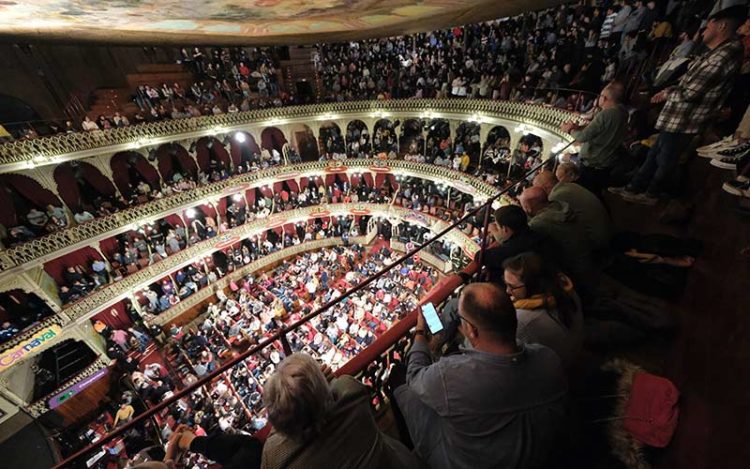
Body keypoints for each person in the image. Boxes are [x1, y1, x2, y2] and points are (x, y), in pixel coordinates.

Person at [393, 283, 568, 469]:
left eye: (460, 319)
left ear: (471, 330)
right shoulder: (547, 357)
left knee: (398, 375)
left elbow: (414, 376)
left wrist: (420, 334)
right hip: (534, 453)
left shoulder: (450, 377)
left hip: (465, 460)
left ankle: (413, 455)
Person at [610, 6, 746, 204]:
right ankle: (634, 187)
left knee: (666, 160)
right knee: (655, 154)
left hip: (687, 117)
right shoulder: (715, 53)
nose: (703, 31)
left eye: (708, 27)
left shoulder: (723, 56)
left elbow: (691, 92)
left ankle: (651, 194)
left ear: (722, 26)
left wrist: (667, 93)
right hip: (678, 115)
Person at [261, 352, 421, 469]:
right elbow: (336, 387)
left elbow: (281, 427)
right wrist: (321, 380)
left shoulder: (274, 456)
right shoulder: (350, 392)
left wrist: (286, 402)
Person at [503, 253, 584, 367]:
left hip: (562, 371)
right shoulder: (566, 289)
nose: (507, 291)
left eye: (512, 286)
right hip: (576, 352)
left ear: (533, 285)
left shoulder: (522, 321)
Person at [519, 186, 596, 293]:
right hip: (587, 258)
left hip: (573, 270)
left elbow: (523, 236)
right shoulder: (560, 206)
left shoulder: (540, 223)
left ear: (528, 207)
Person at [560, 82, 628, 196]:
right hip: (607, 161)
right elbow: (601, 129)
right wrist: (578, 127)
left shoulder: (605, 114)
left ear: (604, 98)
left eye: (600, 96)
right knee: (596, 192)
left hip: (593, 162)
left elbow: (582, 137)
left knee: (587, 193)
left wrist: (569, 130)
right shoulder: (623, 111)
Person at [477, 204, 559, 283]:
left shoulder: (512, 249)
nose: (495, 228)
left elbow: (480, 256)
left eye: (497, 226)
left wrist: (497, 235)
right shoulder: (539, 236)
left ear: (505, 229)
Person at [533, 170, 612, 251]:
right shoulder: (569, 185)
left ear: (546, 186)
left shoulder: (556, 196)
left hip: (599, 240)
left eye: (540, 190)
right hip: (607, 225)